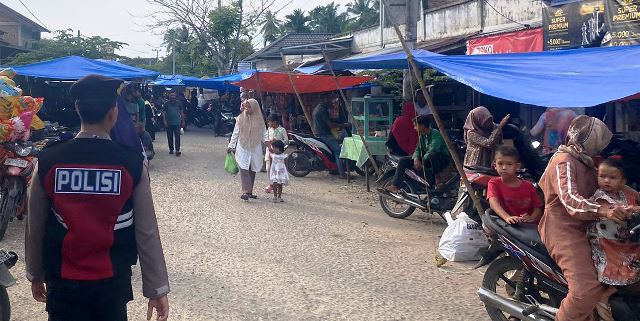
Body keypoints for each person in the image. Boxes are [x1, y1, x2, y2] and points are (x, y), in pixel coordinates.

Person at [25, 74, 170, 321]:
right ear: (113, 114)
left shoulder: (49, 160)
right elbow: (147, 230)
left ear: (78, 111)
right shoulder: (132, 164)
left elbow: (35, 225)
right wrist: (155, 289)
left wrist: (35, 274)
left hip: (63, 282)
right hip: (112, 283)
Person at [538, 115, 636, 321]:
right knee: (585, 292)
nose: (602, 147)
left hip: (592, 227)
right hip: (564, 229)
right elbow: (571, 200)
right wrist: (605, 211)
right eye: (600, 140)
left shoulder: (588, 160)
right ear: (590, 139)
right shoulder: (563, 161)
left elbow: (616, 185)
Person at [585, 157, 640, 321]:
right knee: (629, 266)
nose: (606, 181)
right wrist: (634, 210)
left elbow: (634, 200)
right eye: (602, 176)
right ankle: (605, 297)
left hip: (622, 239)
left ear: (622, 180)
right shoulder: (601, 197)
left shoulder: (623, 193)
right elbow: (619, 211)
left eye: (612, 177)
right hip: (606, 243)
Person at [384, 115, 450, 193]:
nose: (414, 128)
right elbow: (418, 149)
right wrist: (416, 159)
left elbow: (433, 149)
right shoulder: (422, 135)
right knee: (402, 160)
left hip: (440, 159)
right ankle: (395, 185)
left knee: (432, 155)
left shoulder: (435, 134)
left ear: (422, 126)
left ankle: (437, 179)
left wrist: (421, 160)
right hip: (426, 158)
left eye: (416, 125)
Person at [487, 145, 543, 225]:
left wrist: (531, 218)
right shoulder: (493, 183)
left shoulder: (528, 186)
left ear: (517, 167)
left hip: (528, 226)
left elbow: (538, 208)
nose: (504, 167)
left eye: (509, 164)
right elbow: (493, 203)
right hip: (507, 226)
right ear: (495, 165)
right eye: (500, 164)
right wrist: (507, 217)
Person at [227, 98, 269, 201]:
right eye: (245, 106)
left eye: (249, 106)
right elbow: (236, 132)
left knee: (252, 169)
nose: (246, 108)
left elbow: (264, 132)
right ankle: (245, 191)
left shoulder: (259, 119)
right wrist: (231, 146)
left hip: (255, 147)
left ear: (254, 107)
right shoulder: (240, 118)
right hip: (243, 146)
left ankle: (249, 192)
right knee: (244, 168)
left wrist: (268, 143)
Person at [312, 102, 350, 178]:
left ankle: (333, 169)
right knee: (338, 151)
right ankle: (342, 174)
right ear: (325, 99)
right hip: (324, 135)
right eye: (330, 99)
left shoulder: (318, 107)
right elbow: (330, 124)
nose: (331, 102)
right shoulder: (323, 110)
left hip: (319, 133)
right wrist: (343, 125)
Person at [265, 113, 289, 193]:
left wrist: (278, 142)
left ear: (275, 122)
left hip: (278, 153)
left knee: (278, 169)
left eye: (270, 122)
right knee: (268, 167)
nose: (269, 123)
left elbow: (286, 141)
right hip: (269, 151)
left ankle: (278, 185)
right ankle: (271, 183)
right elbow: (266, 139)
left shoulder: (282, 130)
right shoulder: (269, 129)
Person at [163, 91, 184, 156]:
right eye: (171, 95)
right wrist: (164, 121)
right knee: (169, 137)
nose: (172, 97)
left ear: (175, 96)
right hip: (169, 123)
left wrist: (183, 121)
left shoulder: (179, 103)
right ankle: (171, 149)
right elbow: (163, 113)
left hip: (177, 123)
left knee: (177, 137)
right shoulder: (166, 104)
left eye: (173, 95)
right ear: (169, 96)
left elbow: (181, 112)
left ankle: (177, 150)